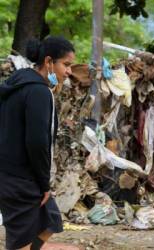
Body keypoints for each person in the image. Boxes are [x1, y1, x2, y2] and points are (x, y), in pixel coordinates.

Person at [0, 36, 75, 250]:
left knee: (51, 220)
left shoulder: (15, 85)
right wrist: (44, 184)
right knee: (21, 242)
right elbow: (37, 141)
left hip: (11, 174)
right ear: (49, 62)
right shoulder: (39, 92)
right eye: (66, 65)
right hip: (20, 178)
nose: (69, 71)